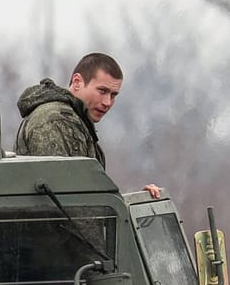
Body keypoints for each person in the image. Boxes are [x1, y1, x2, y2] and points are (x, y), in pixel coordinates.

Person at [15, 52, 163, 196]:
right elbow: (65, 202)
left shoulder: (74, 121)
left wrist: (132, 202)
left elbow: (87, 198)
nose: (107, 102)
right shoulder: (54, 121)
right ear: (77, 82)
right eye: (102, 91)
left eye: (113, 95)